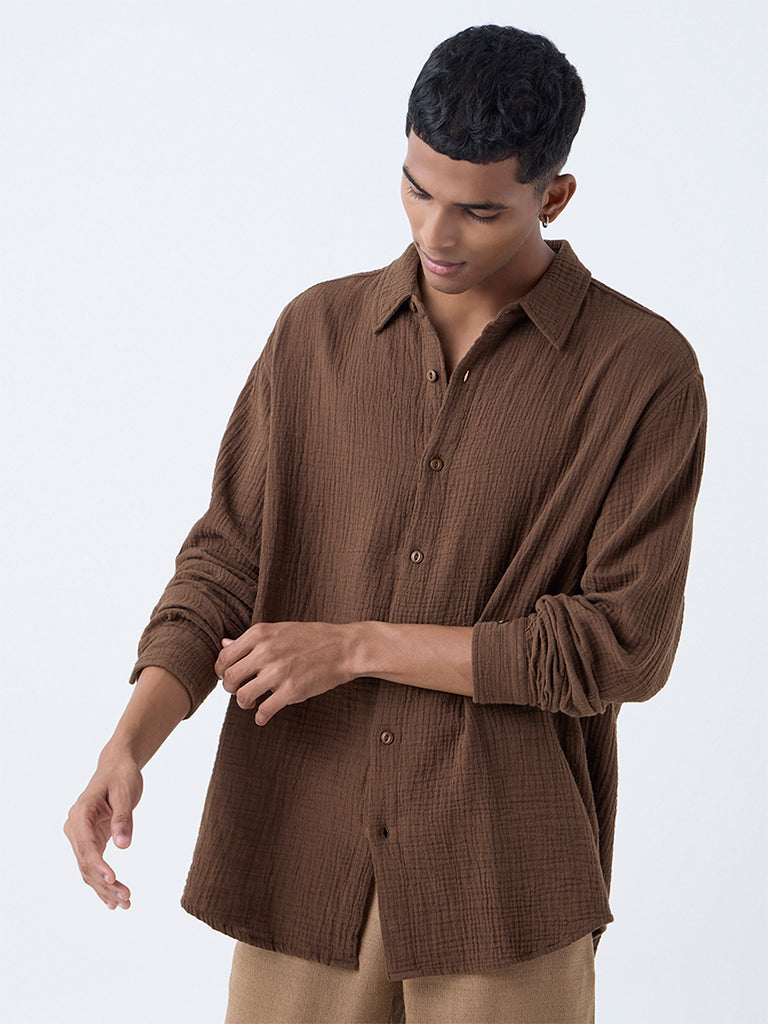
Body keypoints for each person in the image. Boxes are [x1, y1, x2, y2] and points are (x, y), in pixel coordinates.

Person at [64, 24, 706, 1024]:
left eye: (478, 211)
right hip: (300, 855)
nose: (436, 235)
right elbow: (226, 561)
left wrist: (358, 646)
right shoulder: (316, 335)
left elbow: (622, 646)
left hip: (502, 880)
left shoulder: (641, 372)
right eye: (416, 189)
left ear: (555, 197)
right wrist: (130, 741)